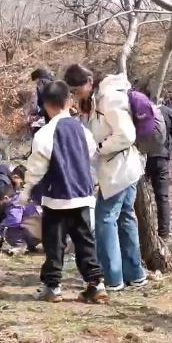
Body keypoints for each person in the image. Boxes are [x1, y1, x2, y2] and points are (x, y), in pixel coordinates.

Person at [19, 80, 108, 303]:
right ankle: (96, 285)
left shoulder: (45, 134)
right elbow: (91, 156)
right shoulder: (83, 130)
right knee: (85, 242)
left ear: (46, 105)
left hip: (56, 198)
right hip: (82, 196)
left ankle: (52, 287)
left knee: (54, 244)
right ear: (69, 101)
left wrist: (27, 191)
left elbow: (37, 168)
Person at [64, 64, 147, 292]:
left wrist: (99, 148)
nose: (76, 95)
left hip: (119, 169)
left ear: (89, 82)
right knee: (125, 218)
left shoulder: (108, 98)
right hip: (121, 168)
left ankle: (112, 278)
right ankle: (135, 274)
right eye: (72, 91)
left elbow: (126, 134)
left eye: (77, 89)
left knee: (104, 219)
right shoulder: (96, 99)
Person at [144, 100, 172, 241]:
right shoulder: (168, 112)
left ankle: (143, 234)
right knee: (162, 197)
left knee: (139, 196)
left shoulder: (137, 109)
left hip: (142, 158)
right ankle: (164, 235)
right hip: (161, 158)